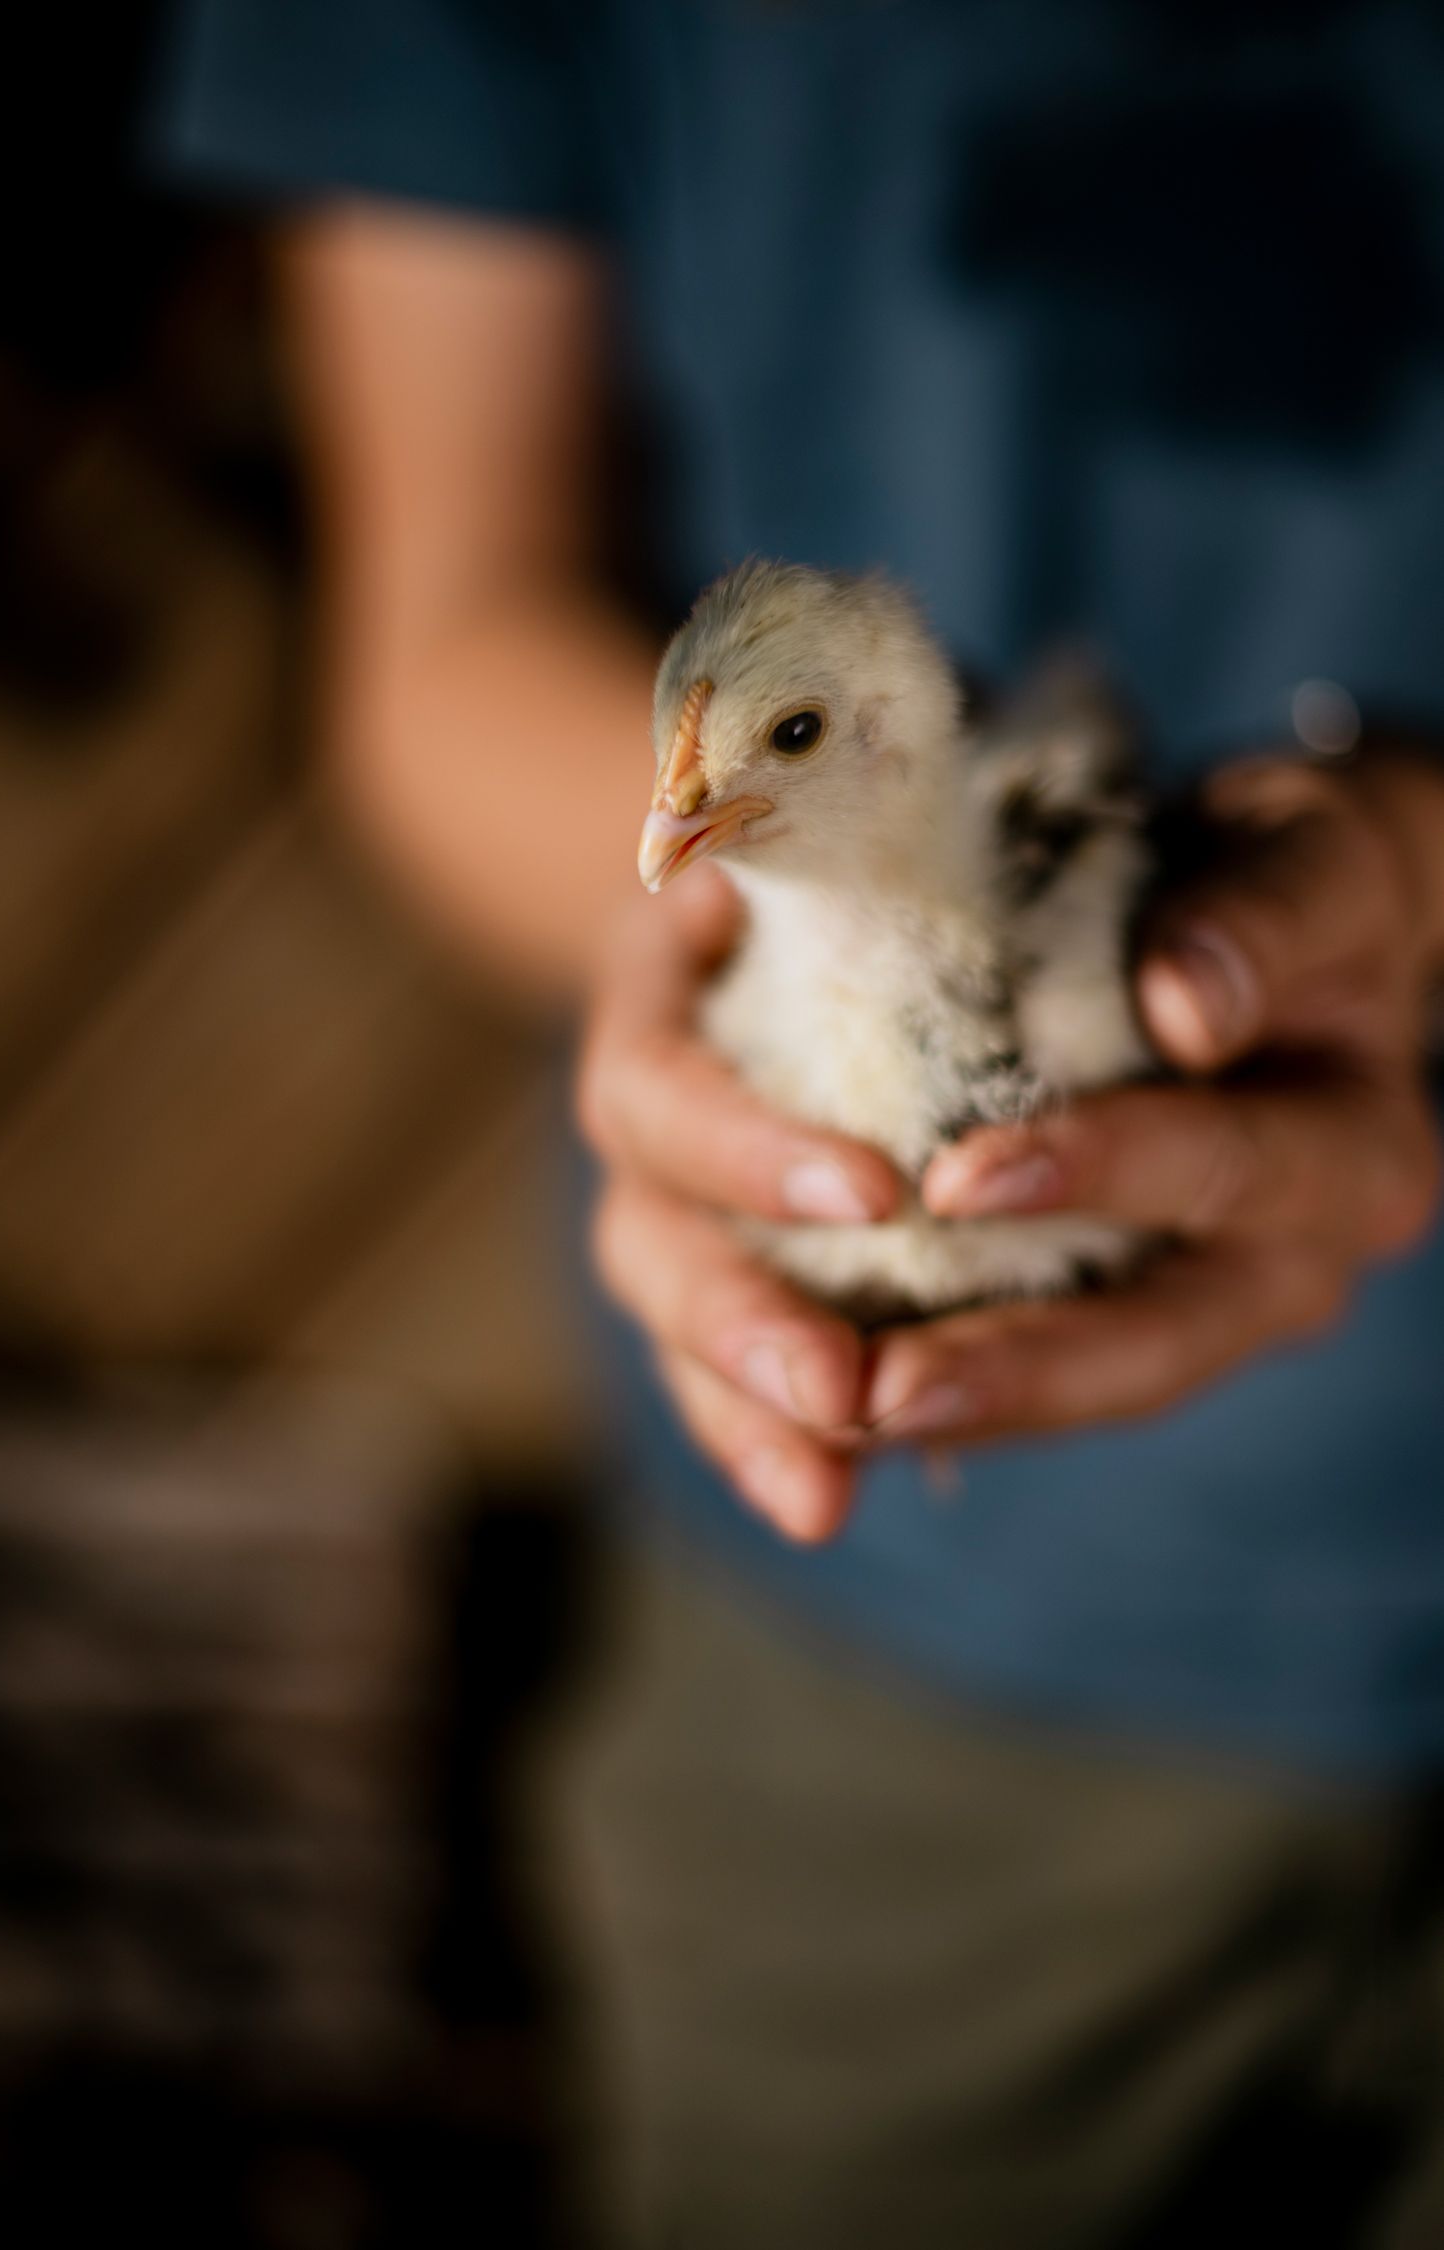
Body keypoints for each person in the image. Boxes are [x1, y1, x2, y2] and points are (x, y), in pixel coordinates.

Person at [162, 5, 1444, 2242]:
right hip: (917, 1686)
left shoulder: (1051, 891)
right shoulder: (856, 892)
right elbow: (448, 641)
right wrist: (729, 927)